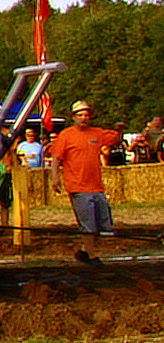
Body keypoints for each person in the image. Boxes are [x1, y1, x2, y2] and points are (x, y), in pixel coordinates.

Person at [50, 99, 123, 264]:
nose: (83, 118)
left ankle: (84, 251)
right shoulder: (66, 135)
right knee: (88, 224)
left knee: (103, 225)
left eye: (86, 115)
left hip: (96, 186)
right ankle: (92, 256)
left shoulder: (96, 133)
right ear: (73, 117)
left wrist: (119, 130)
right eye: (80, 115)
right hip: (78, 186)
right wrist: (55, 178)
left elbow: (114, 140)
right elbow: (56, 159)